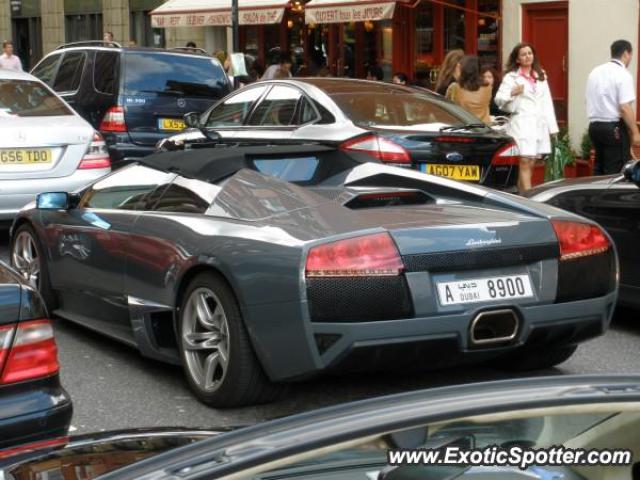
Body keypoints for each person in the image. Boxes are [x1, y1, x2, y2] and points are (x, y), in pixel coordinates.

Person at [495, 42, 558, 192]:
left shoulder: (540, 75)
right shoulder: (511, 77)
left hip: (538, 125)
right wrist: (512, 93)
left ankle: (520, 195)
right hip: (521, 124)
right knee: (524, 160)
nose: (527, 56)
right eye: (523, 54)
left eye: (529, 53)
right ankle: (530, 197)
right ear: (517, 59)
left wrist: (552, 127)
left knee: (531, 162)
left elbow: (547, 103)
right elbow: (498, 99)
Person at [586, 39, 640, 175]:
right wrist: (635, 132)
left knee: (598, 168)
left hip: (594, 127)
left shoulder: (594, 72)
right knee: (614, 172)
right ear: (626, 54)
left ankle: (596, 195)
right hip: (613, 129)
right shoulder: (623, 74)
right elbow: (625, 107)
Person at [445, 55, 491, 124]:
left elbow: (447, 107)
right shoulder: (487, 87)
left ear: (464, 69)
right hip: (483, 126)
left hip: (463, 126)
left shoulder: (455, 87)